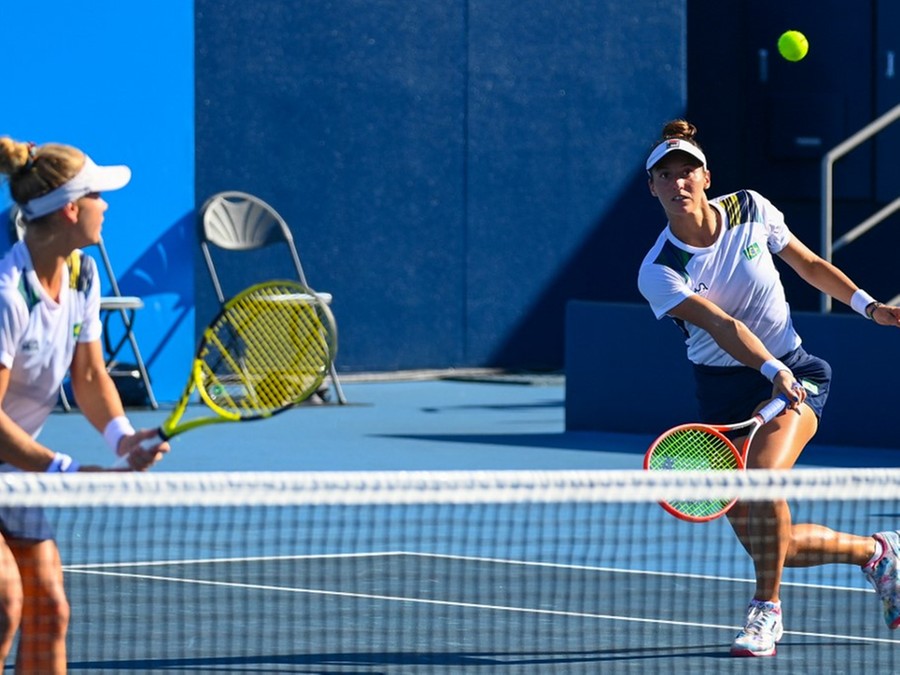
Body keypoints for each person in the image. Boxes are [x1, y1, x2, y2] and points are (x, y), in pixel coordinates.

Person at [637, 119, 900, 658]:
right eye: (666, 175)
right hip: (725, 398)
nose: (679, 182)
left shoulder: (752, 209)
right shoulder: (659, 269)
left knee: (762, 480)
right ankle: (878, 553)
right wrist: (765, 370)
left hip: (796, 373)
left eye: (688, 171)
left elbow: (807, 263)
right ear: (653, 188)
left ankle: (766, 613)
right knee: (770, 544)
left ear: (706, 177)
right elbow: (721, 326)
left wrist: (868, 306)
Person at [0, 137, 169, 673]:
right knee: (4, 606)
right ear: (71, 209)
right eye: (98, 195)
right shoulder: (8, 292)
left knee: (50, 610)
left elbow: (91, 375)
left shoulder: (83, 275)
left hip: (13, 471)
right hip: (19, 463)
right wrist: (62, 469)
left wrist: (122, 438)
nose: (107, 205)